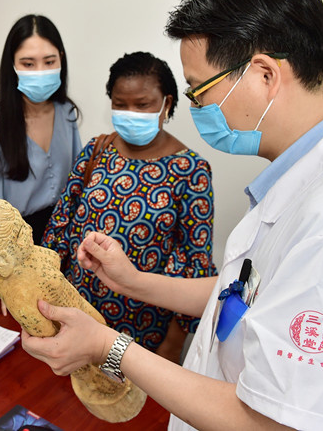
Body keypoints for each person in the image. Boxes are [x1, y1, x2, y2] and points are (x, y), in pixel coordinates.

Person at [21, 0, 323, 430]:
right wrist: (131, 280)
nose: (197, 108)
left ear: (264, 75)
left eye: (199, 91)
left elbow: (273, 423)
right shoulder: (304, 180)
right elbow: (245, 293)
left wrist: (111, 348)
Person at [42, 51, 215, 363]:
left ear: (167, 103)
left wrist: (172, 346)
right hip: (75, 312)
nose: (130, 112)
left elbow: (196, 264)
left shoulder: (191, 171)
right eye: (120, 104)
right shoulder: (97, 150)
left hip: (143, 330)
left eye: (143, 104)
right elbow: (60, 227)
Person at [0, 14, 82, 295]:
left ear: (61, 60)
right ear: (12, 65)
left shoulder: (66, 113)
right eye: (28, 63)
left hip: (61, 244)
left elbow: (78, 184)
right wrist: (9, 278)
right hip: (13, 252)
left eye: (49, 61)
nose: (40, 71)